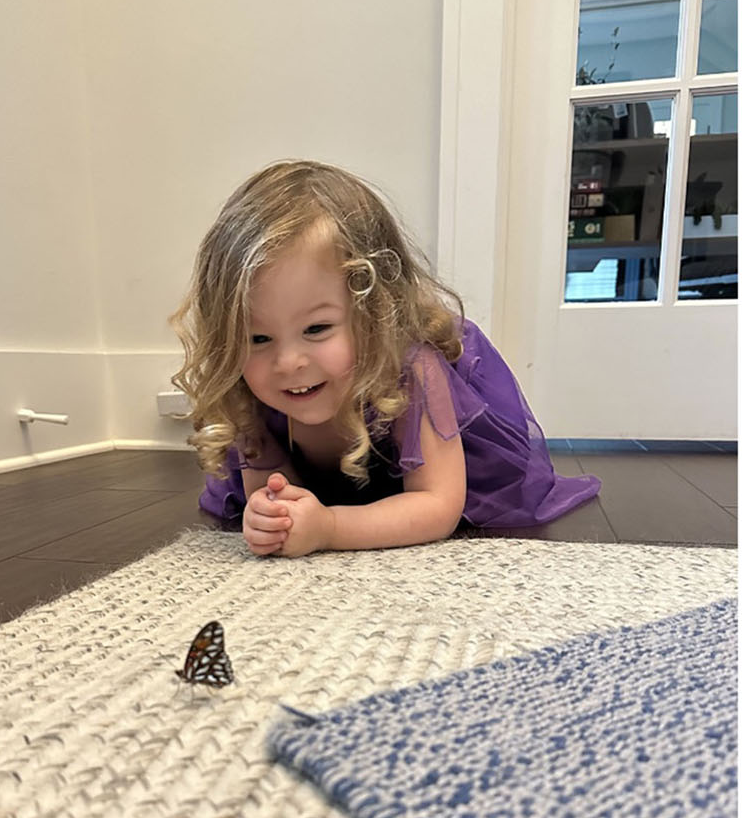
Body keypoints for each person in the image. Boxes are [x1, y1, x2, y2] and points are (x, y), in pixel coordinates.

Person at [171, 160, 600, 558]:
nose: (287, 362)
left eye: (317, 329)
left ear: (376, 313)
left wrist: (331, 528)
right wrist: (272, 515)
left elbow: (437, 505)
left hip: (434, 485)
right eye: (258, 338)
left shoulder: (412, 372)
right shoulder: (249, 392)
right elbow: (272, 492)